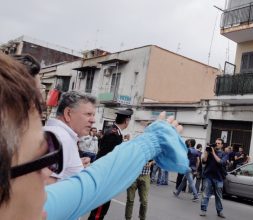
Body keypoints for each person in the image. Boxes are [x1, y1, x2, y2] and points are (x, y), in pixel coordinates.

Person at [0, 53, 190, 220]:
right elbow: (91, 185)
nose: (48, 172)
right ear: (68, 114)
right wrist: (151, 142)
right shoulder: (61, 137)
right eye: (43, 154)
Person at [88, 108, 133, 220]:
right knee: (99, 209)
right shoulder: (113, 134)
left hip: (106, 174)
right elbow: (105, 156)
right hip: (105, 174)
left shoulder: (114, 132)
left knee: (102, 208)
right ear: (126, 121)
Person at [44, 91, 96, 183]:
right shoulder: (60, 138)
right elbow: (45, 188)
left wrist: (75, 165)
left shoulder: (57, 135)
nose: (93, 120)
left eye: (93, 115)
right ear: (68, 113)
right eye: (88, 114)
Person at [200, 138, 229, 218]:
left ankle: (219, 211)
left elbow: (221, 162)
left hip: (219, 178)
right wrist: (206, 152)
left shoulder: (224, 154)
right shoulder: (209, 152)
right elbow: (204, 161)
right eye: (216, 143)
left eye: (219, 143)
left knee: (218, 196)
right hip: (208, 176)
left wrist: (213, 153)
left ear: (222, 145)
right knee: (206, 194)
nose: (216, 144)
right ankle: (203, 210)